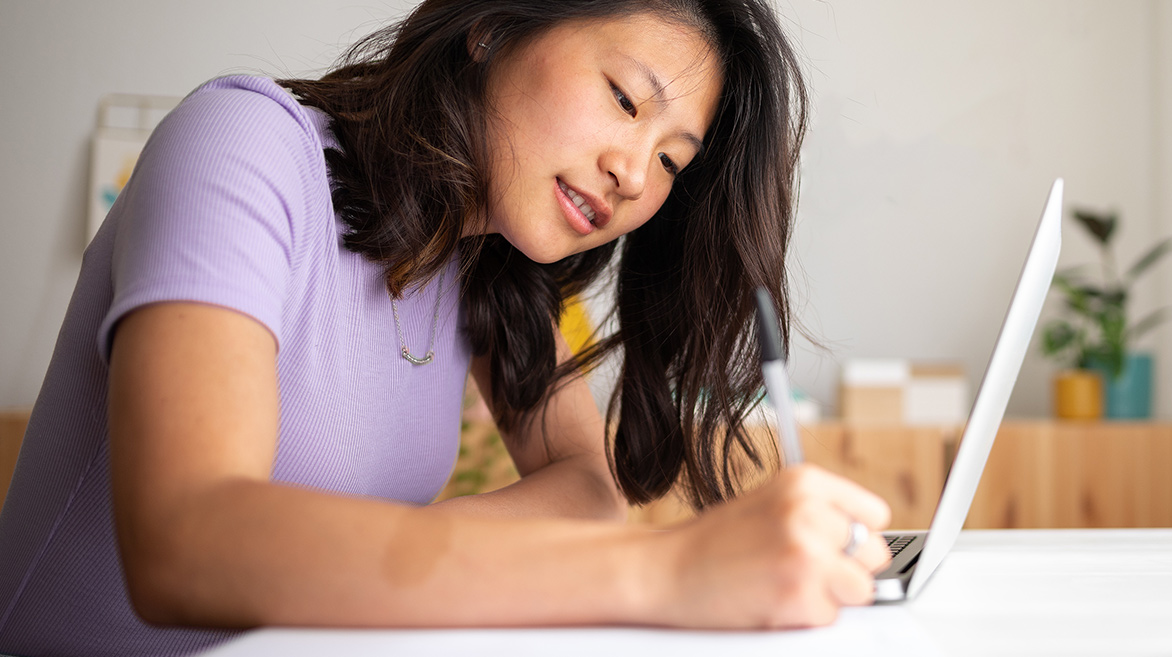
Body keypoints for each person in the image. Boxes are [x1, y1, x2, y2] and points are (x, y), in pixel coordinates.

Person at [0, 1, 892, 654]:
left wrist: (374, 565)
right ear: (495, 26)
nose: (632, 173)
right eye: (624, 99)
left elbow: (586, 492)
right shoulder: (243, 144)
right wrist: (665, 572)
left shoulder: (490, 265)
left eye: (670, 160)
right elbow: (186, 542)